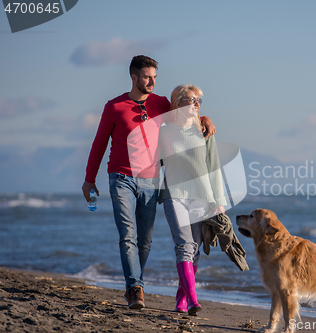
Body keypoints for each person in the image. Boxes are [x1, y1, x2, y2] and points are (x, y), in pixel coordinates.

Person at [82, 56, 216, 310]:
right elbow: (99, 144)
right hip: (120, 178)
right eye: (146, 77)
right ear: (134, 78)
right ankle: (135, 288)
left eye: (155, 76)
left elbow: (185, 113)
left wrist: (205, 118)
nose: (152, 81)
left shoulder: (161, 104)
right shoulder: (114, 107)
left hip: (151, 181)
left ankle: (135, 284)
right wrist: (89, 179)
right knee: (127, 235)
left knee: (145, 240)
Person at [159, 84, 227, 316]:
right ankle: (194, 301)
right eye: (190, 99)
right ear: (177, 103)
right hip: (174, 195)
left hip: (201, 196)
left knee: (195, 249)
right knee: (185, 246)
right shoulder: (164, 131)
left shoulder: (205, 131)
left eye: (199, 100)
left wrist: (219, 201)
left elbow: (214, 167)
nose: (196, 103)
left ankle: (181, 299)